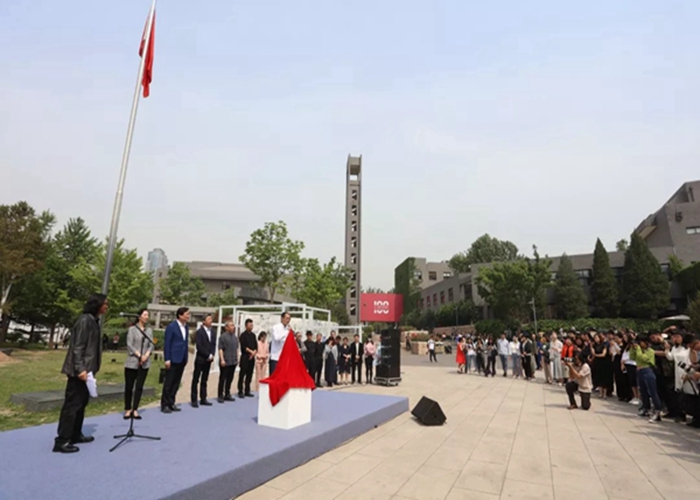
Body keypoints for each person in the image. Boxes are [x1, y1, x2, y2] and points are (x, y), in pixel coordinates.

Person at [53, 293, 107, 453]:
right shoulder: (85, 321)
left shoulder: (94, 321)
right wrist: (80, 369)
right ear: (97, 304)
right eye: (105, 303)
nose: (107, 306)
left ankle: (75, 434)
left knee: (81, 404)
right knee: (72, 406)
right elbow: (78, 347)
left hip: (87, 371)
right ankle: (62, 440)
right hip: (79, 371)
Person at [124, 308, 153, 420]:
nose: (147, 317)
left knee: (139, 386)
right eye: (145, 315)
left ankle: (135, 409)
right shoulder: (132, 329)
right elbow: (129, 344)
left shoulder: (149, 330)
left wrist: (146, 355)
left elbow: (151, 345)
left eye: (148, 315)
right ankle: (128, 409)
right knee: (129, 386)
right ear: (139, 316)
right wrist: (139, 355)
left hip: (144, 362)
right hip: (132, 362)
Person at [161, 307, 190, 414]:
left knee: (176, 382)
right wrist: (167, 358)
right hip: (173, 358)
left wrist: (186, 357)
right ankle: (164, 404)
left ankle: (171, 402)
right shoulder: (172, 327)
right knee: (169, 382)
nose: (188, 316)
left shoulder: (186, 327)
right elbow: (167, 343)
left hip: (182, 358)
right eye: (187, 314)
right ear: (180, 315)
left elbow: (185, 343)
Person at [630, 335, 663, 422]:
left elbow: (643, 358)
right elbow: (632, 357)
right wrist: (632, 349)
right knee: (643, 391)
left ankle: (657, 411)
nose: (639, 344)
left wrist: (638, 349)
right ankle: (645, 408)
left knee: (652, 392)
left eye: (640, 342)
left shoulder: (650, 351)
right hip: (639, 371)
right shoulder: (639, 350)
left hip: (648, 371)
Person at [191, 314, 216, 407]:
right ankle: (194, 399)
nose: (211, 320)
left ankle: (203, 398)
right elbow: (199, 346)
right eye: (209, 319)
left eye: (211, 319)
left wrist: (212, 354)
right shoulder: (199, 332)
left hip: (208, 360)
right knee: (196, 379)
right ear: (204, 321)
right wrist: (207, 354)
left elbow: (213, 344)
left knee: (204, 379)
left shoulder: (213, 332)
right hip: (200, 359)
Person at [217, 321, 238, 403]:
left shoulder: (235, 337)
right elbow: (220, 349)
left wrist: (237, 358)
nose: (233, 327)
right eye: (231, 325)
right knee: (223, 378)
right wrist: (222, 359)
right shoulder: (222, 337)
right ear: (226, 327)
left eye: (233, 325)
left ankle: (227, 393)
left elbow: (237, 348)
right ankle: (220, 395)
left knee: (230, 378)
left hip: (233, 361)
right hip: (225, 361)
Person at [238, 319, 257, 398]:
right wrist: (251, 352)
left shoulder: (253, 335)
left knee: (249, 374)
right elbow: (243, 346)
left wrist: (254, 352)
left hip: (252, 358)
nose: (251, 326)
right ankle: (240, 390)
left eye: (252, 325)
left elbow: (256, 346)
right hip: (245, 357)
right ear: (246, 326)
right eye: (250, 325)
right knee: (242, 374)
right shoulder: (243, 335)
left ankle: (247, 390)